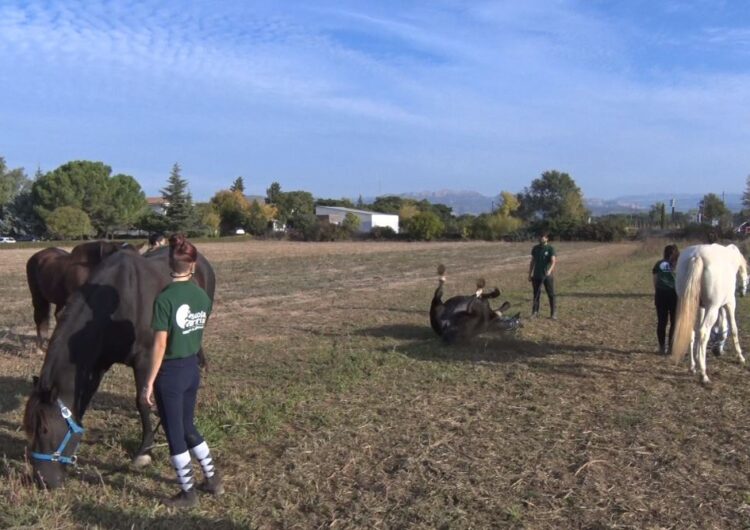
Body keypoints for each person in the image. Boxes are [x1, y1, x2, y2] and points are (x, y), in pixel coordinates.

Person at [141, 234, 222, 508]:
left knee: (175, 433)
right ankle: (212, 478)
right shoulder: (201, 295)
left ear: (168, 265)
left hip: (171, 374)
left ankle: (188, 493)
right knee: (188, 425)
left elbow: (160, 343)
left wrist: (148, 382)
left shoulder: (165, 299)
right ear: (193, 265)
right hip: (192, 369)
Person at [653, 244, 679, 355]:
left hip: (661, 294)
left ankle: (661, 347)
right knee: (674, 322)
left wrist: (658, 291)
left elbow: (655, 280)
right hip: (674, 295)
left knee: (662, 322)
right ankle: (671, 347)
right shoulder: (678, 265)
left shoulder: (659, 264)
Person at [528, 232, 557, 319]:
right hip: (536, 275)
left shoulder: (550, 248)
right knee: (536, 295)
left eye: (543, 237)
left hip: (547, 276)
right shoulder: (535, 248)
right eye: (540, 237)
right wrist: (530, 274)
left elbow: (553, 262)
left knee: (551, 294)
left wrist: (549, 271)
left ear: (547, 239)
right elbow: (532, 262)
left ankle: (553, 313)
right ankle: (535, 312)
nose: (541, 239)